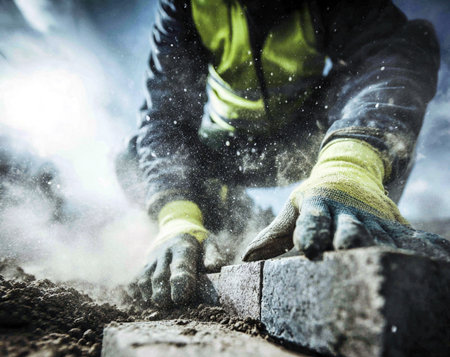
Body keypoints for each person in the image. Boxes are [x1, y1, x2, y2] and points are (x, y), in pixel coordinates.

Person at [117, 0, 450, 307]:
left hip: (310, 140)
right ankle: (225, 231)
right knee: (134, 158)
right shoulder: (186, 5)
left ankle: (357, 208)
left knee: (393, 82)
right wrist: (177, 218)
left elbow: (389, 54)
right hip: (231, 150)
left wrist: (349, 165)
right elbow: (165, 119)